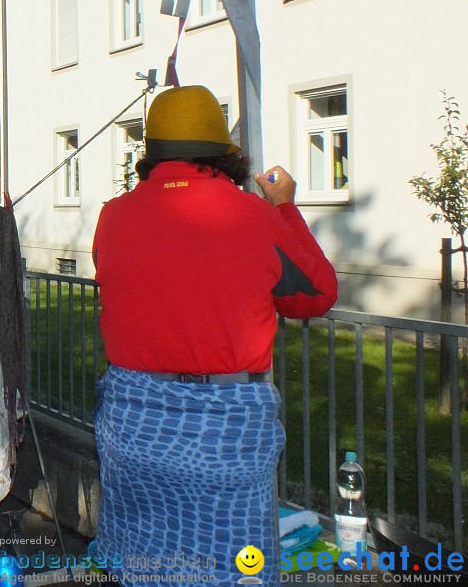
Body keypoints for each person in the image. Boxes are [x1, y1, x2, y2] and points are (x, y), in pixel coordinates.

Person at [89, 85, 337, 586]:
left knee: (144, 560)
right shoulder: (253, 216)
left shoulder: (112, 217)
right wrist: (284, 207)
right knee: (233, 569)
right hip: (225, 434)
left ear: (151, 153)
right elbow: (314, 295)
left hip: (133, 428)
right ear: (225, 153)